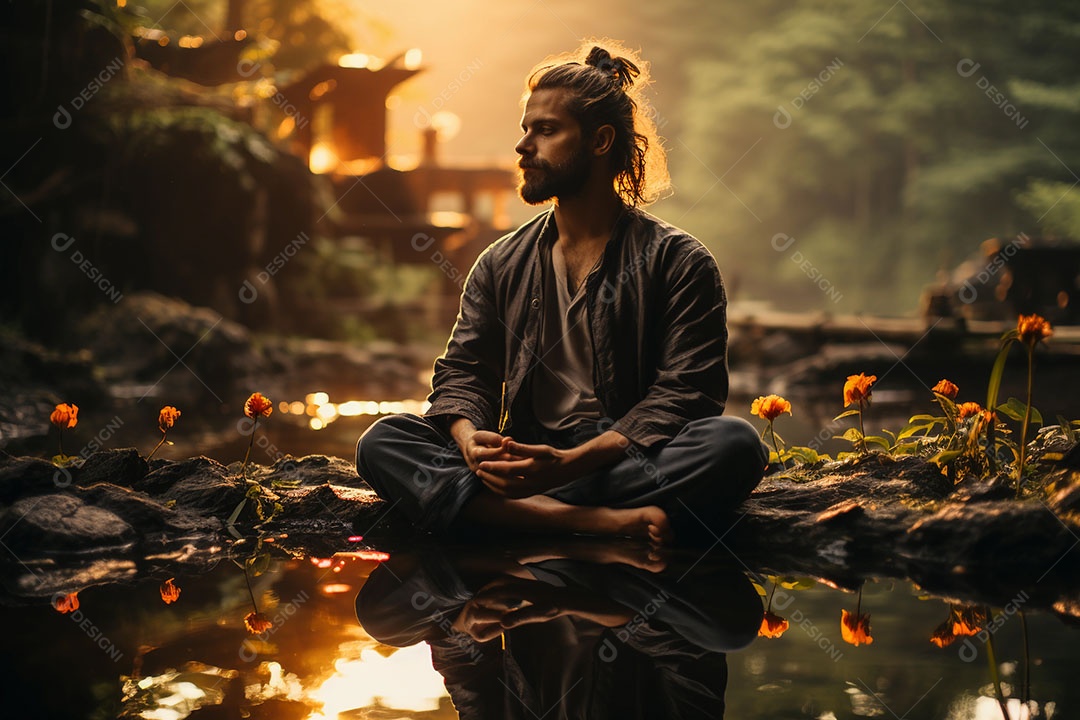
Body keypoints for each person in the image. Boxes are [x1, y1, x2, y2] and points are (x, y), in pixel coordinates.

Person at [356, 42, 767, 544]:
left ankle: (502, 512)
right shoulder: (500, 263)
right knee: (383, 441)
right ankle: (589, 522)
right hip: (527, 457)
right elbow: (464, 372)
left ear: (600, 140)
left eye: (546, 131)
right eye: (525, 129)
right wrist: (470, 442)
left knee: (734, 444)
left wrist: (569, 464)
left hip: (621, 458)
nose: (523, 146)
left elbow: (688, 393)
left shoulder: (678, 261)